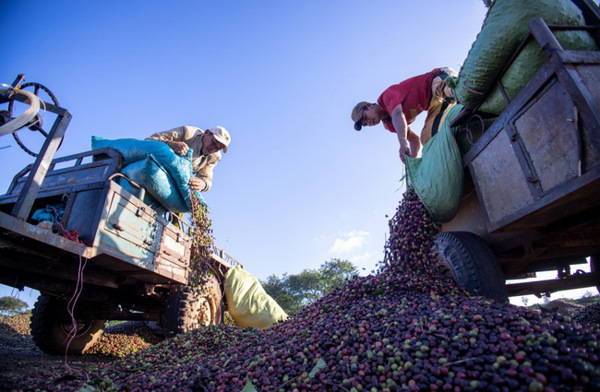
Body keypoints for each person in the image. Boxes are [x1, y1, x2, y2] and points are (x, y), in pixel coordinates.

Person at [351, 67, 457, 163]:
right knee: (427, 138)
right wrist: (412, 160)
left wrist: (402, 141)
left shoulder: (385, 98)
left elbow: (398, 114)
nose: (368, 122)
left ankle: (463, 89)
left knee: (442, 88)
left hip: (438, 78)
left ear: (369, 106)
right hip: (435, 103)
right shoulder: (390, 125)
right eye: (365, 124)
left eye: (365, 117)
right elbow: (415, 140)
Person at [146, 125, 230, 191]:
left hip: (175, 183)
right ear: (206, 133)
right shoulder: (187, 133)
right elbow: (149, 140)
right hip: (156, 168)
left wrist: (203, 184)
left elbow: (206, 177)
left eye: (219, 148)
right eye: (214, 142)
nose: (214, 148)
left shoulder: (214, 157)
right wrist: (169, 144)